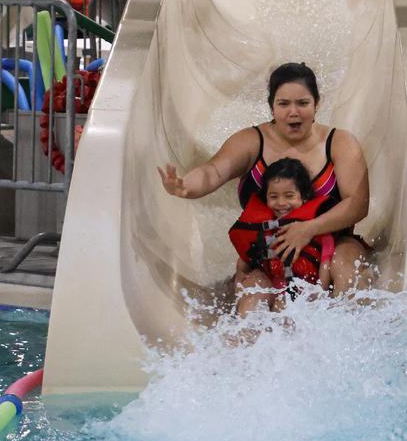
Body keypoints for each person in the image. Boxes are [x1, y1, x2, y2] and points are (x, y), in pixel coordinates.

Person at [159, 62, 372, 316]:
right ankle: (250, 345)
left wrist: (308, 229)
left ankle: (348, 332)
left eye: (302, 103)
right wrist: (186, 186)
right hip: (271, 256)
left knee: (346, 266)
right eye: (284, 104)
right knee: (255, 292)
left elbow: (358, 204)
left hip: (334, 243)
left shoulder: (340, 143)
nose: (293, 112)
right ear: (272, 105)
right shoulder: (251, 141)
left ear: (317, 103)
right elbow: (213, 171)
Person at [229, 157, 334, 312]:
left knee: (282, 307)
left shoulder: (316, 228)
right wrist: (239, 290)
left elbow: (326, 264)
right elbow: (243, 262)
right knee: (253, 297)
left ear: (304, 197)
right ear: (266, 198)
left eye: (289, 196)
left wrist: (319, 295)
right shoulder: (262, 230)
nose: (281, 203)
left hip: (303, 292)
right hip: (271, 288)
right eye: (274, 196)